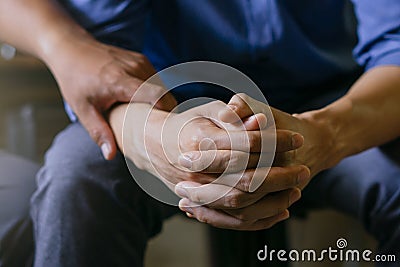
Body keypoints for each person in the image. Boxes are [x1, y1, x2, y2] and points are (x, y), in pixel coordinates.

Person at [0, 0, 399, 266]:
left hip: (337, 100)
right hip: (159, 100)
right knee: (79, 177)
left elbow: (394, 49)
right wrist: (150, 137)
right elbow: (103, 59)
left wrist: (325, 135)